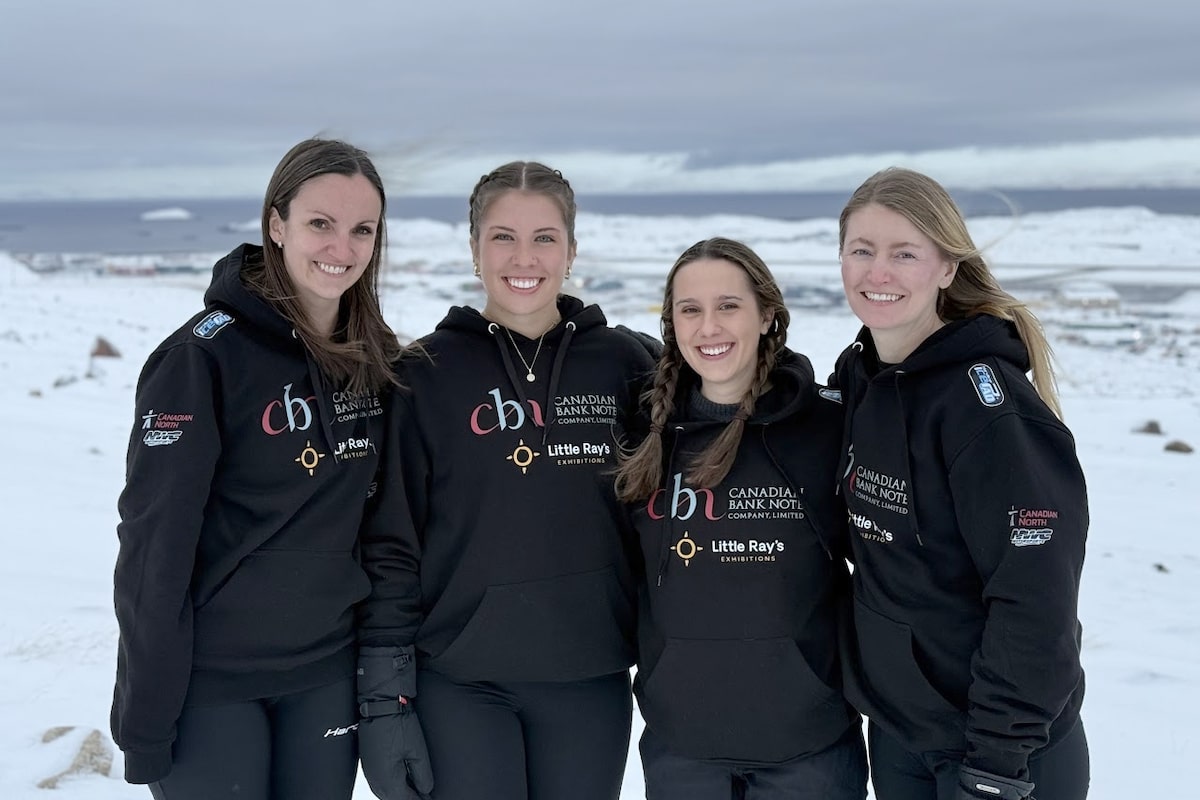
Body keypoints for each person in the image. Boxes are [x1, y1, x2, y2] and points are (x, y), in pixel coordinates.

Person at [355, 161, 658, 800]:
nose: (525, 257)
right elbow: (392, 541)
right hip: (461, 679)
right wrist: (386, 697)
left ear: (572, 249)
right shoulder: (425, 375)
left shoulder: (628, 364)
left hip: (590, 675)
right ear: (474, 249)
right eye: (503, 236)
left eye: (545, 237)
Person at [110, 138, 401, 799]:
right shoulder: (201, 359)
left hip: (325, 678)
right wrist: (145, 716)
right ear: (277, 224)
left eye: (362, 229)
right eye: (319, 223)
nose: (342, 247)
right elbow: (154, 546)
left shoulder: (374, 362)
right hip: (212, 686)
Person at [832, 167, 1090, 800]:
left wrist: (998, 758)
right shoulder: (861, 377)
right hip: (904, 736)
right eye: (861, 250)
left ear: (947, 268)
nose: (877, 272)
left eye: (904, 253)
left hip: (1000, 755)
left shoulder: (989, 408)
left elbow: (1037, 594)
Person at [614, 237, 867, 800]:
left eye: (728, 306)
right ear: (671, 323)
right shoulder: (644, 433)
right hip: (683, 749)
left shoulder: (825, 427)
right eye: (691, 309)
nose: (709, 327)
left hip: (809, 749)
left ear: (767, 315)